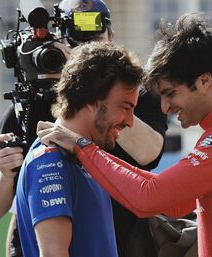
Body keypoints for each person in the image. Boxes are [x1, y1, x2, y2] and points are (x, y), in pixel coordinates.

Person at [37, 13, 212, 257]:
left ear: (204, 81)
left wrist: (83, 147)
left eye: (170, 93)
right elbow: (172, 202)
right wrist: (87, 150)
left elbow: (149, 198)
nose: (165, 108)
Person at [0, 1, 166, 256]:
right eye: (78, 42)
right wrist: (5, 172)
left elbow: (149, 153)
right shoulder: (34, 102)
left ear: (112, 36)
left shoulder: (136, 96)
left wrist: (102, 91)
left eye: (95, 39)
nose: (88, 52)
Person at [17, 41, 143, 257]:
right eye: (124, 107)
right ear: (92, 100)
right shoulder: (49, 160)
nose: (130, 122)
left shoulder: (86, 155)